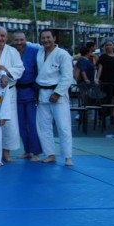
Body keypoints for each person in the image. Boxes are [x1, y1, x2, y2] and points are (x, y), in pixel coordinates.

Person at [0, 26, 24, 163]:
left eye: (3, 36)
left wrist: (4, 71)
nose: (0, 38)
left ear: (6, 38)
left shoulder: (13, 52)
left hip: (9, 91)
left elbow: (19, 69)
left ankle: (6, 152)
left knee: (9, 123)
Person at [35, 29, 74, 166]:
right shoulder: (39, 51)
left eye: (48, 37)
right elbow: (26, 43)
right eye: (43, 38)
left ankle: (68, 156)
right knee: (43, 126)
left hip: (58, 93)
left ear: (55, 38)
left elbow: (68, 77)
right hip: (42, 93)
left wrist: (57, 93)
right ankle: (50, 154)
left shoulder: (63, 54)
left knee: (63, 126)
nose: (45, 40)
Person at [12, 31, 42, 160]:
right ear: (12, 41)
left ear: (26, 39)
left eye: (21, 40)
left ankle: (36, 152)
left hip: (31, 91)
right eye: (16, 40)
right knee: (21, 124)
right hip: (16, 92)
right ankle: (27, 150)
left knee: (32, 123)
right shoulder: (11, 51)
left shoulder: (35, 51)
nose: (19, 43)